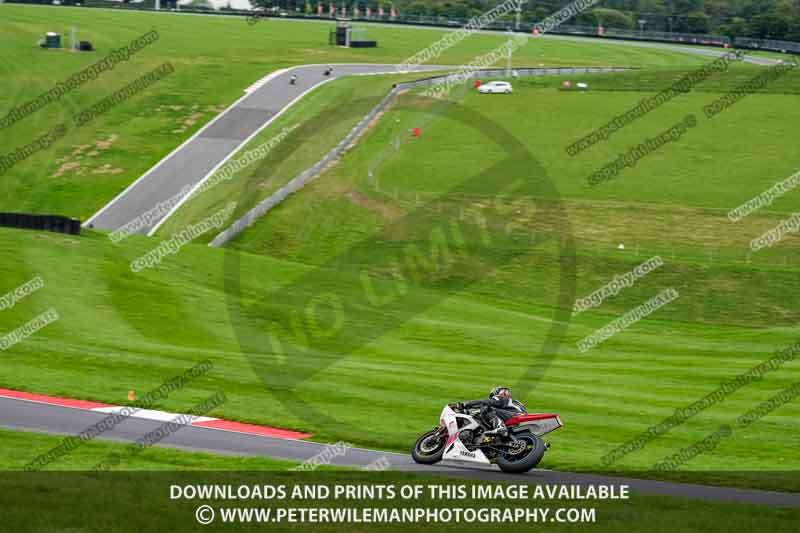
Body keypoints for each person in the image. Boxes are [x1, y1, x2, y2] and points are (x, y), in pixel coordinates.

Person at [458, 387, 526, 437]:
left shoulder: (502, 398)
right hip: (518, 418)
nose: (492, 398)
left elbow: (485, 402)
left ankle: (500, 427)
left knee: (486, 407)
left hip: (515, 416)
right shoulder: (514, 403)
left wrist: (466, 404)